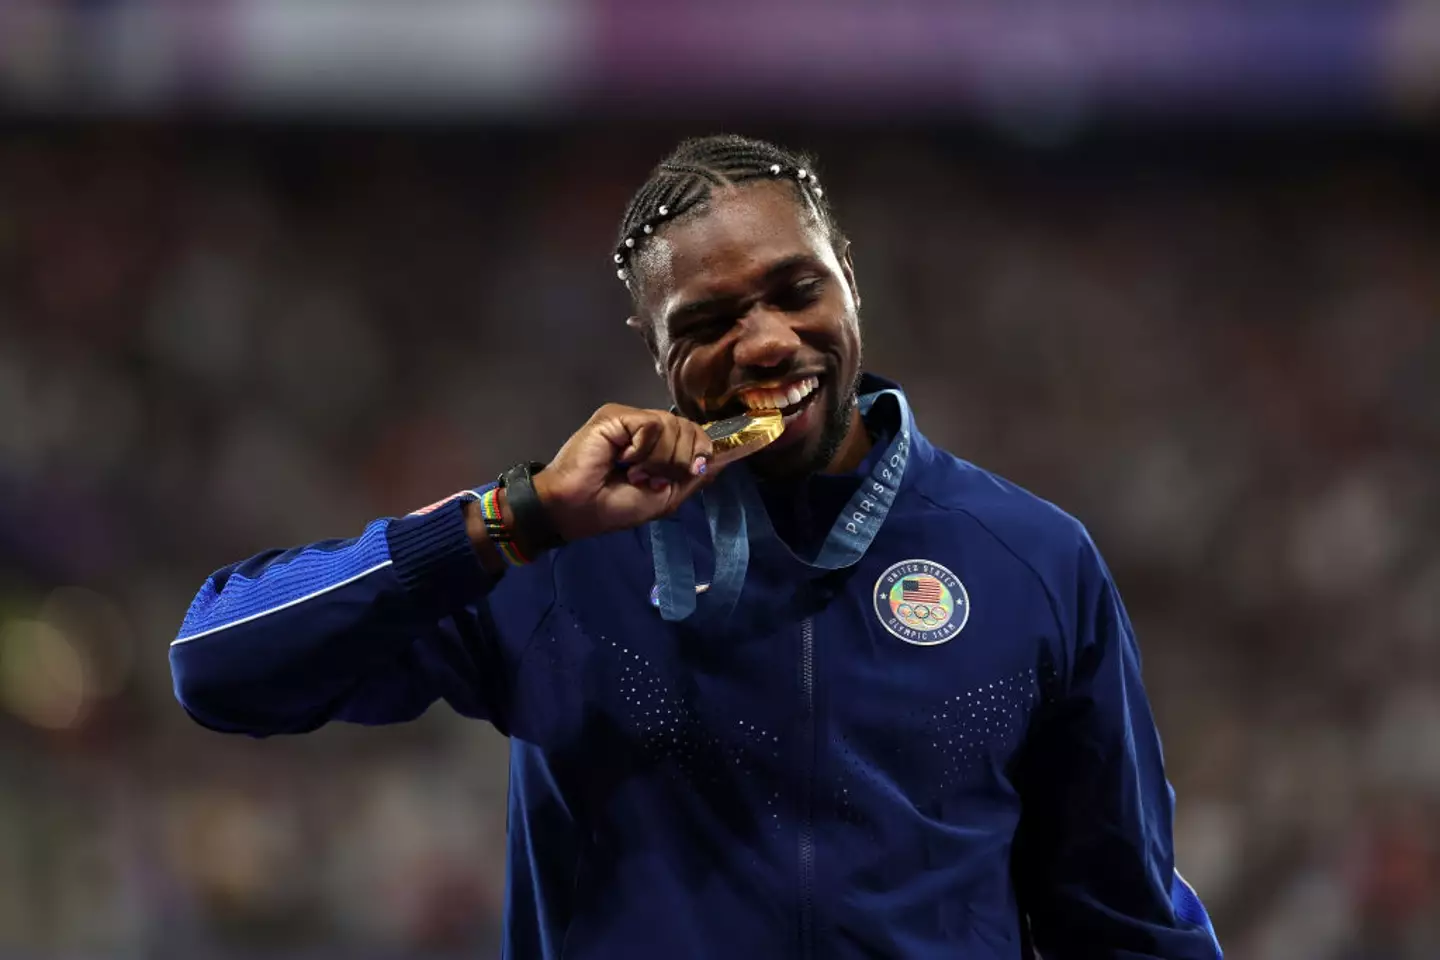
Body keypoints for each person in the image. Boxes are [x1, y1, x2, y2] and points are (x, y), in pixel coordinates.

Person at [170, 134, 1223, 959]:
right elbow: (217, 665)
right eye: (710, 318)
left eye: (795, 288)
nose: (767, 340)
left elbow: (1124, 924)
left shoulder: (1030, 560)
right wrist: (514, 520)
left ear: (847, 275)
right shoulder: (557, 553)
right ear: (656, 346)